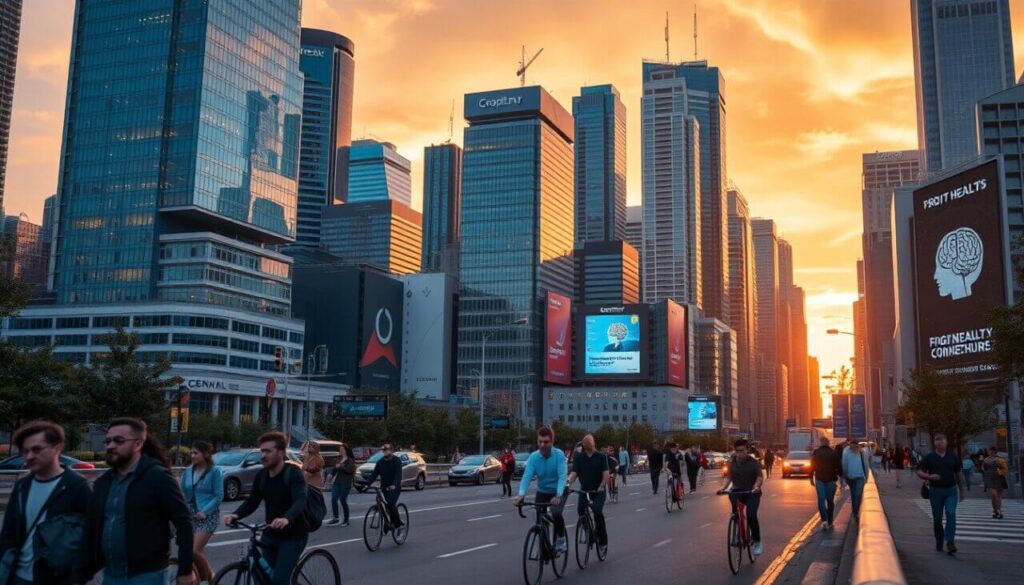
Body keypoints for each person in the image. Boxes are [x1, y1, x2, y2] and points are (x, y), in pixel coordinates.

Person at [80, 418, 194, 585]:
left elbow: (184, 523)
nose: (111, 446)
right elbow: (91, 529)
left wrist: (185, 570)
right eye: (108, 441)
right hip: (110, 574)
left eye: (119, 441)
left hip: (147, 575)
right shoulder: (103, 483)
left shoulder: (157, 477)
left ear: (138, 444)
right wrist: (81, 573)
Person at [0, 421, 90, 585]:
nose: (29, 456)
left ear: (58, 448)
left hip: (56, 578)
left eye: (36, 449)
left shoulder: (76, 486)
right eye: (25, 451)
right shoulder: (22, 486)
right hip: (16, 576)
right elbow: (8, 531)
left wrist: (77, 576)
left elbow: (90, 537)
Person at [224, 432, 309, 585]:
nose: (263, 455)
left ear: (281, 453)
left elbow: (300, 500)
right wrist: (235, 515)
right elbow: (252, 501)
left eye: (268, 451)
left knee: (280, 580)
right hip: (270, 533)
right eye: (261, 451)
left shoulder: (293, 473)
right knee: (259, 575)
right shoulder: (262, 475)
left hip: (293, 535)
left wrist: (286, 518)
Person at [514, 427, 569, 556]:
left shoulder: (559, 455)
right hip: (543, 491)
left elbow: (562, 477)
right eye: (540, 442)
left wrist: (558, 495)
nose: (542, 445)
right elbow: (527, 477)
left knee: (556, 513)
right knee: (539, 517)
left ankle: (560, 540)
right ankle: (543, 544)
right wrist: (521, 495)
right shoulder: (534, 457)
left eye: (546, 442)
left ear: (552, 442)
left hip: (558, 490)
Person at [181, 440, 223, 584]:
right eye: (191, 452)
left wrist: (205, 511)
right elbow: (182, 493)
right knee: (192, 553)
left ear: (205, 454)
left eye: (196, 453)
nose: (192, 456)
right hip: (191, 515)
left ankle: (207, 579)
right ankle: (210, 577)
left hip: (208, 516)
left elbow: (218, 496)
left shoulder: (214, 471)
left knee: (194, 550)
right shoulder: (188, 471)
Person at [917, 433, 965, 555]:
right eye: (937, 440)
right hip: (935, 491)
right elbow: (919, 471)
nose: (939, 442)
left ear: (946, 442)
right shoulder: (929, 457)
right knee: (937, 519)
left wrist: (962, 490)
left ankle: (950, 542)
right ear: (934, 443)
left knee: (951, 514)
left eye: (942, 440)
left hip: (951, 490)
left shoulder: (952, 456)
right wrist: (928, 476)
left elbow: (958, 473)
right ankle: (939, 541)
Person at [717, 439, 764, 557]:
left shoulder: (754, 463)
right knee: (736, 514)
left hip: (752, 492)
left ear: (747, 450)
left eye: (742, 450)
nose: (739, 453)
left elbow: (759, 477)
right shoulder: (732, 462)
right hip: (737, 492)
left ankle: (757, 542)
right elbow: (728, 477)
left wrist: (756, 486)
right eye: (737, 451)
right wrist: (723, 488)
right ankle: (738, 531)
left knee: (751, 515)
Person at [567, 435, 610, 556]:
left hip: (598, 491)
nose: (591, 445)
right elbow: (574, 473)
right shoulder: (580, 458)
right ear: (584, 445)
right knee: (580, 509)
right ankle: (587, 530)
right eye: (588, 443)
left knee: (597, 511)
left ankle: (602, 541)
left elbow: (606, 474)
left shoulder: (601, 456)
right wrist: (568, 482)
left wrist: (602, 486)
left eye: (592, 442)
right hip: (584, 491)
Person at [367, 443, 406, 540]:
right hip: (384, 487)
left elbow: (398, 474)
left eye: (387, 450)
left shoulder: (396, 461)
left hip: (394, 487)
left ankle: (398, 527)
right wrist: (367, 484)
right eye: (383, 450)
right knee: (384, 506)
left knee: (391, 504)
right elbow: (374, 474)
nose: (385, 452)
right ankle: (387, 523)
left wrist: (395, 484)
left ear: (391, 450)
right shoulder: (380, 462)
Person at [811, 436, 841, 530]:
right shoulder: (833, 453)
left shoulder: (816, 453)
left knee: (821, 499)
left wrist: (810, 478)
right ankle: (830, 520)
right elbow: (839, 466)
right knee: (830, 501)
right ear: (828, 443)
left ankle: (824, 520)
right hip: (831, 479)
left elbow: (812, 466)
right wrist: (841, 477)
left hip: (820, 479)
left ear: (820, 443)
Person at [326, 444, 356, 526]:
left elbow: (350, 470)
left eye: (342, 449)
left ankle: (346, 520)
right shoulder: (339, 459)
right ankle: (335, 518)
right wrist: (330, 475)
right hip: (337, 482)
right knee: (334, 499)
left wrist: (341, 466)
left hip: (346, 483)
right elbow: (335, 469)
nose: (341, 450)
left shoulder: (350, 460)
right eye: (340, 449)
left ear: (346, 450)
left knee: (343, 500)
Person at [841, 442, 870, 521]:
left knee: (857, 495)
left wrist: (867, 475)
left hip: (860, 477)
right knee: (854, 495)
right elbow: (844, 464)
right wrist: (844, 475)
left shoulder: (861, 452)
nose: (853, 447)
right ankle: (855, 512)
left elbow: (866, 464)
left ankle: (855, 512)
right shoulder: (846, 451)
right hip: (850, 477)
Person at [982, 447, 1008, 520]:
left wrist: (1000, 471)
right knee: (994, 495)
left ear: (995, 452)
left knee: (997, 496)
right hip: (990, 479)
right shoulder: (986, 460)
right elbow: (983, 469)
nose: (991, 452)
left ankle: (996, 511)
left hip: (999, 479)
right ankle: (998, 511)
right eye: (990, 451)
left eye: (992, 451)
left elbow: (1005, 469)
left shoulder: (1000, 459)